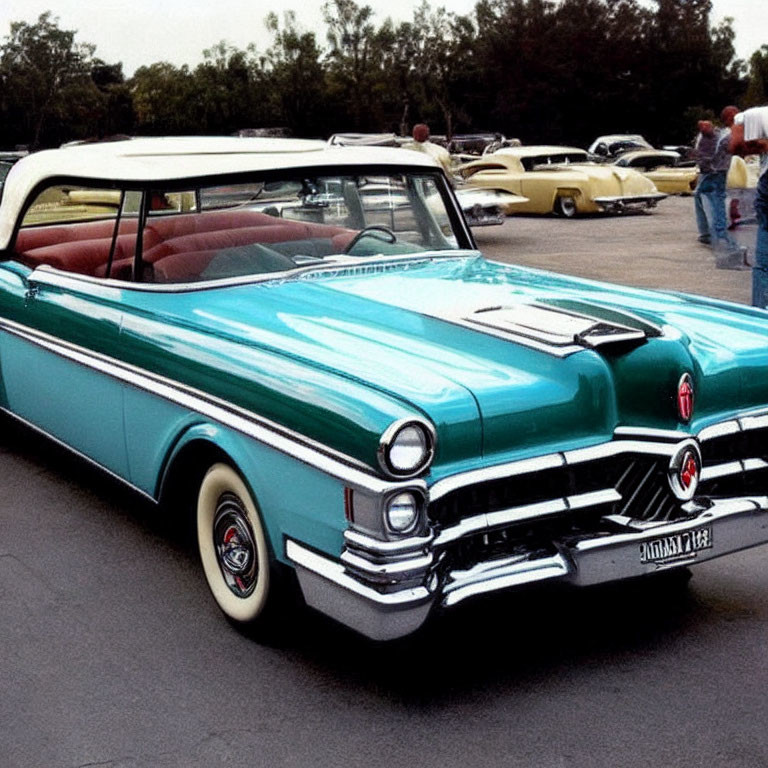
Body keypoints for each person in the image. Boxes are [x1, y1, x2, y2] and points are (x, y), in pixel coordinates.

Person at [730, 105, 768, 308]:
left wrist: (758, 145)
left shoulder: (745, 117)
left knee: (763, 264)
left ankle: (761, 313)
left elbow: (734, 147)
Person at [693, 116, 741, 259]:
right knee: (703, 198)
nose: (703, 129)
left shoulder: (720, 136)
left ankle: (719, 235)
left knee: (715, 201)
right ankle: (708, 233)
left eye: (706, 126)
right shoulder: (705, 137)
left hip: (714, 172)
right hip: (709, 172)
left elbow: (715, 156)